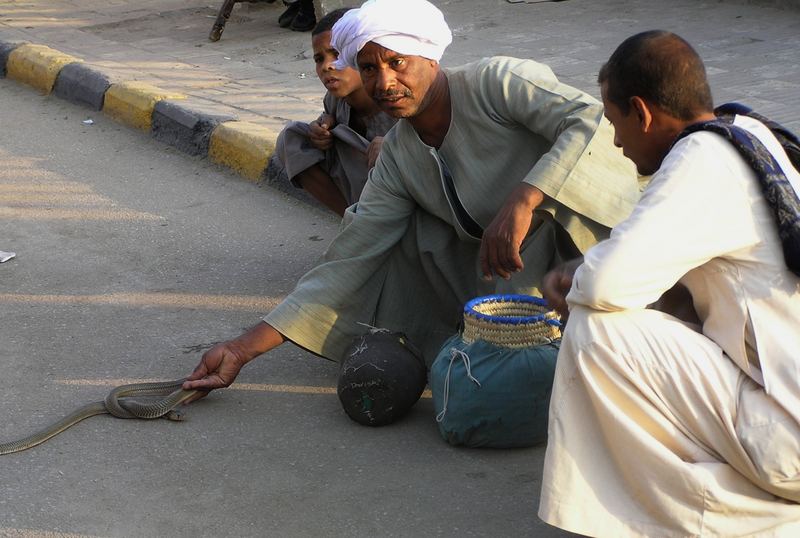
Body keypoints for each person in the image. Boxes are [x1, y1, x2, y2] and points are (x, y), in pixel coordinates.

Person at [182, 0, 639, 420]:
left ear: (430, 57)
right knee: (389, 235)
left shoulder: (496, 82)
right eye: (368, 68)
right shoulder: (399, 154)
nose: (384, 82)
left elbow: (589, 119)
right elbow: (350, 257)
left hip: (596, 246)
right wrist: (242, 349)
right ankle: (451, 342)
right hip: (510, 279)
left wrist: (526, 197)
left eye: (396, 63)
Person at [538, 30, 800, 537]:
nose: (616, 142)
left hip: (790, 441)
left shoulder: (702, 159)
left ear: (642, 112)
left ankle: (712, 517)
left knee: (598, 328)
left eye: (615, 124)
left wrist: (575, 277)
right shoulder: (750, 133)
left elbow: (606, 286)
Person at [274, 7, 396, 215]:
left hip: (402, 197)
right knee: (292, 137)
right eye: (319, 59)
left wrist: (395, 146)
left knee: (388, 151)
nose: (326, 66)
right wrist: (320, 131)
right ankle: (354, 222)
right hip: (361, 192)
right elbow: (326, 124)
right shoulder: (334, 101)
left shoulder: (395, 98)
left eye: (336, 54)